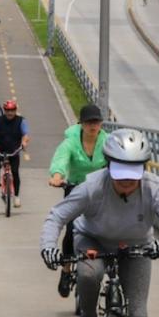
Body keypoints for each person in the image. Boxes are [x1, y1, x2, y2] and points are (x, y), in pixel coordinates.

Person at [40, 129, 159, 317]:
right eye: (121, 172)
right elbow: (57, 216)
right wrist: (48, 246)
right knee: (88, 274)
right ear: (109, 165)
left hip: (137, 246)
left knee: (138, 315)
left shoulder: (154, 189)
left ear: (144, 168)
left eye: (133, 173)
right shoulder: (92, 187)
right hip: (93, 239)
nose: (127, 181)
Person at [48, 104, 108, 298]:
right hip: (75, 189)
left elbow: (117, 160)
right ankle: (66, 270)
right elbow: (61, 160)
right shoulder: (71, 142)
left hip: (100, 191)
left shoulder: (107, 142)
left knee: (107, 229)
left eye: (96, 121)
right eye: (89, 122)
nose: (93, 125)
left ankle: (110, 270)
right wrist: (57, 176)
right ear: (81, 124)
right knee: (72, 230)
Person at [0, 100, 30, 208]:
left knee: (15, 173)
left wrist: (24, 143)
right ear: (4, 110)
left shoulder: (21, 121)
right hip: (1, 149)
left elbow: (25, 135)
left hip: (14, 151)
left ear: (15, 110)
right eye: (8, 110)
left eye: (12, 110)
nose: (10, 113)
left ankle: (17, 197)